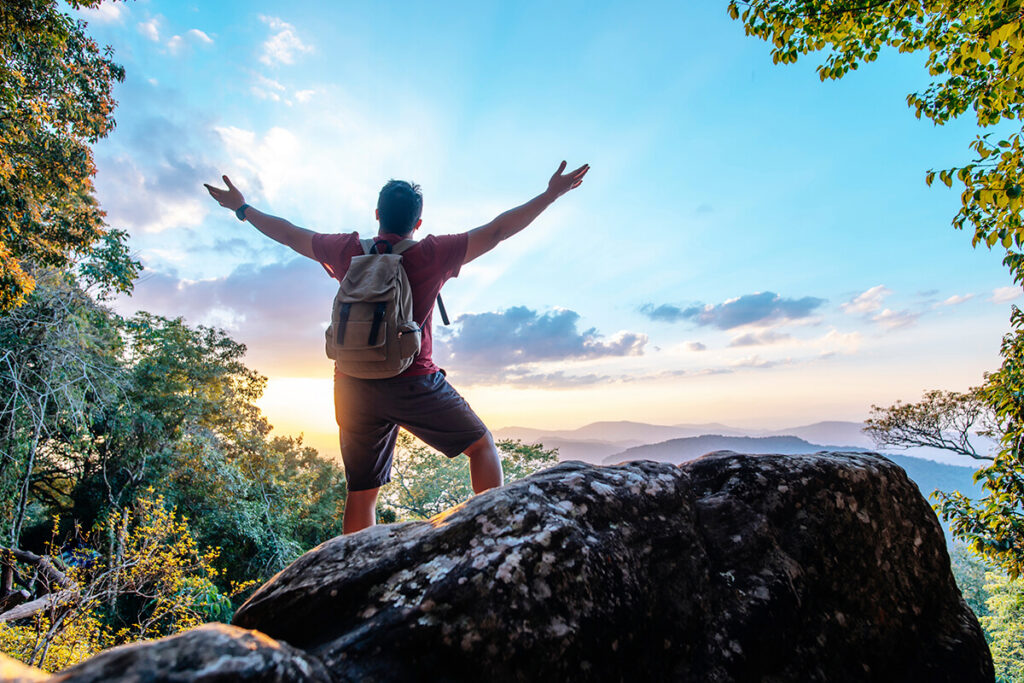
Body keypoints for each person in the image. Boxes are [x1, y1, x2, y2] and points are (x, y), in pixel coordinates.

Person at [204, 161, 589, 533]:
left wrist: (242, 207)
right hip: (414, 382)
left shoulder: (347, 249)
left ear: (377, 214)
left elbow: (289, 234)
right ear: (417, 223)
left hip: (352, 385)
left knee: (361, 494)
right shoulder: (431, 253)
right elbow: (498, 230)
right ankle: (494, 537)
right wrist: (551, 194)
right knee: (482, 446)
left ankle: (352, 571)